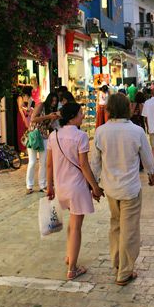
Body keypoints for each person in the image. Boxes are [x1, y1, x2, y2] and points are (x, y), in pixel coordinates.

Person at [92, 93, 154, 285]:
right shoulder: (135, 131)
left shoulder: (101, 131)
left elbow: (95, 162)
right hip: (130, 188)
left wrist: (94, 185)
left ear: (110, 109)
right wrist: (152, 173)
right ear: (128, 108)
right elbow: (147, 157)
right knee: (129, 230)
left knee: (116, 225)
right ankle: (124, 272)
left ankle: (117, 263)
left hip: (110, 187)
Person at [47, 103, 104, 280]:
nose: (82, 115)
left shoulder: (53, 135)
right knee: (76, 227)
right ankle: (72, 268)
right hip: (77, 187)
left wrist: (49, 186)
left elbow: (49, 164)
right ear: (72, 116)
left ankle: (69, 255)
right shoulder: (81, 136)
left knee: (72, 225)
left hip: (61, 186)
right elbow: (84, 165)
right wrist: (95, 186)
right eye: (80, 113)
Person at [26, 92, 60, 194]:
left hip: (44, 136)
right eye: (52, 100)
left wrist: (54, 119)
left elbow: (49, 126)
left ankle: (42, 184)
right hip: (34, 135)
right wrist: (48, 117)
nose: (54, 103)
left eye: (55, 101)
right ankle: (29, 186)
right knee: (32, 162)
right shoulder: (41, 105)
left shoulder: (52, 111)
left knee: (43, 162)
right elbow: (33, 119)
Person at [16, 86, 34, 154]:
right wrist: (23, 117)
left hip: (27, 114)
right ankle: (23, 149)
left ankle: (27, 147)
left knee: (27, 131)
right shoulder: (20, 97)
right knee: (22, 131)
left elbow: (29, 107)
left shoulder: (29, 98)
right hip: (22, 115)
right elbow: (20, 108)